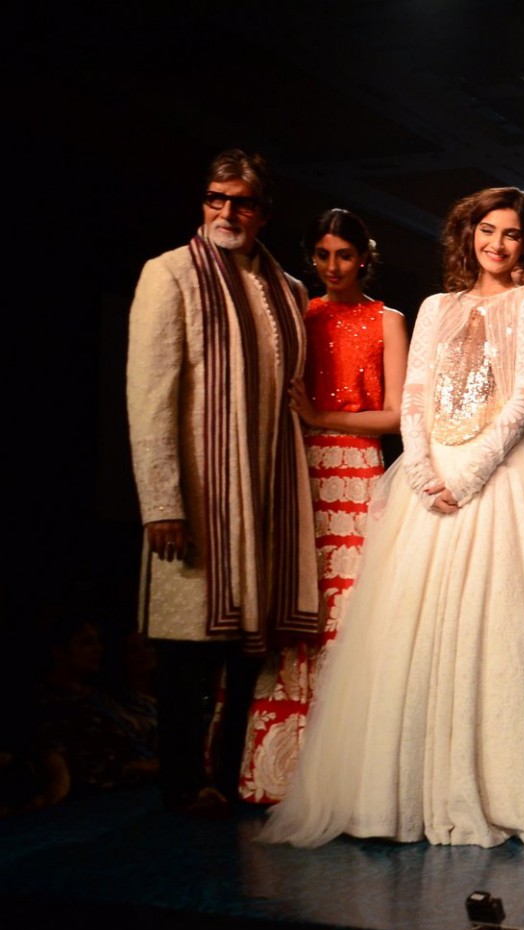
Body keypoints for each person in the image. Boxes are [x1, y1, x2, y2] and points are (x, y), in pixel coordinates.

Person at [261, 186, 524, 848]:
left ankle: (503, 787)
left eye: (510, 234)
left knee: (496, 630)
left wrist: (469, 474)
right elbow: (413, 396)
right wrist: (420, 470)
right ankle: (402, 792)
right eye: (486, 230)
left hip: (501, 480)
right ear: (467, 235)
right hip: (430, 480)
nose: (496, 243)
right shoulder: (435, 306)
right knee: (410, 636)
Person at [127, 149, 316, 816]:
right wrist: (161, 504)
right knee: (186, 651)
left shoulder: (287, 289)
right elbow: (150, 396)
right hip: (201, 495)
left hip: (266, 492)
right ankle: (183, 787)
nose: (226, 212)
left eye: (241, 201)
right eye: (216, 198)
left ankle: (231, 777)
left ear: (263, 212)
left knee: (245, 654)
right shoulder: (171, 273)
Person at [238, 209, 406, 804]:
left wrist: (320, 416)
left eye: (345, 255)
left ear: (364, 257)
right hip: (303, 472)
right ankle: (282, 772)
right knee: (301, 609)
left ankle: (349, 773)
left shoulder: (388, 320)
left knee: (354, 612)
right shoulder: (300, 315)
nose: (333, 267)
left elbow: (397, 416)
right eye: (323, 255)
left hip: (360, 474)